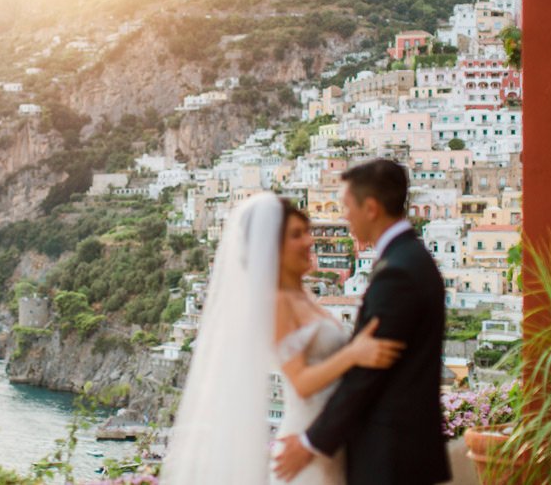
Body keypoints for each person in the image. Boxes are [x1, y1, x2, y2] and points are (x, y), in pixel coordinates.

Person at [163, 192, 403, 485]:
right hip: (304, 444)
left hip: (334, 442)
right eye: (296, 235)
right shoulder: (277, 303)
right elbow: (300, 381)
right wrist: (354, 354)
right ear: (271, 248)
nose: (308, 241)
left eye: (307, 232)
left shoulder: (305, 296)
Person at [274, 159, 451, 485]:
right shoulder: (410, 259)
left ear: (370, 208)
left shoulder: (398, 271)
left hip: (390, 456)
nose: (344, 216)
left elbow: (368, 376)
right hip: (389, 450)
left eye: (346, 206)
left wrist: (311, 442)